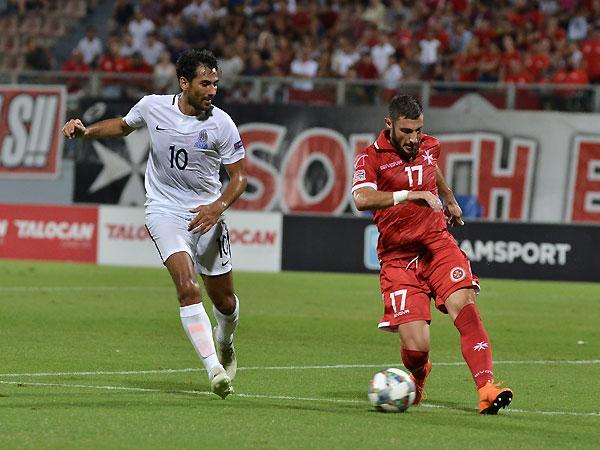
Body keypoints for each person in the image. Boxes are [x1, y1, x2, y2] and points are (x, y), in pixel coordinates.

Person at [62, 49, 246, 399]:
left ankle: (225, 340)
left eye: (215, 84)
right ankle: (214, 370)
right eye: (205, 83)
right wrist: (86, 132)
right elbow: (123, 126)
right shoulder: (152, 106)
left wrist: (217, 207)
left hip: (206, 214)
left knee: (224, 302)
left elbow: (239, 178)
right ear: (184, 83)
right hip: (164, 210)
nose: (212, 91)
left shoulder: (222, 123)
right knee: (187, 287)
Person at [351, 94, 513, 414]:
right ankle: (419, 374)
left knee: (464, 305)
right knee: (416, 347)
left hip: (436, 245)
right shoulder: (370, 158)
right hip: (398, 258)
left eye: (418, 130)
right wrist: (410, 195)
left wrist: (448, 197)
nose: (414, 138)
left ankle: (486, 389)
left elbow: (431, 166)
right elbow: (362, 199)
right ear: (389, 125)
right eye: (406, 131)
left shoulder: (429, 146)